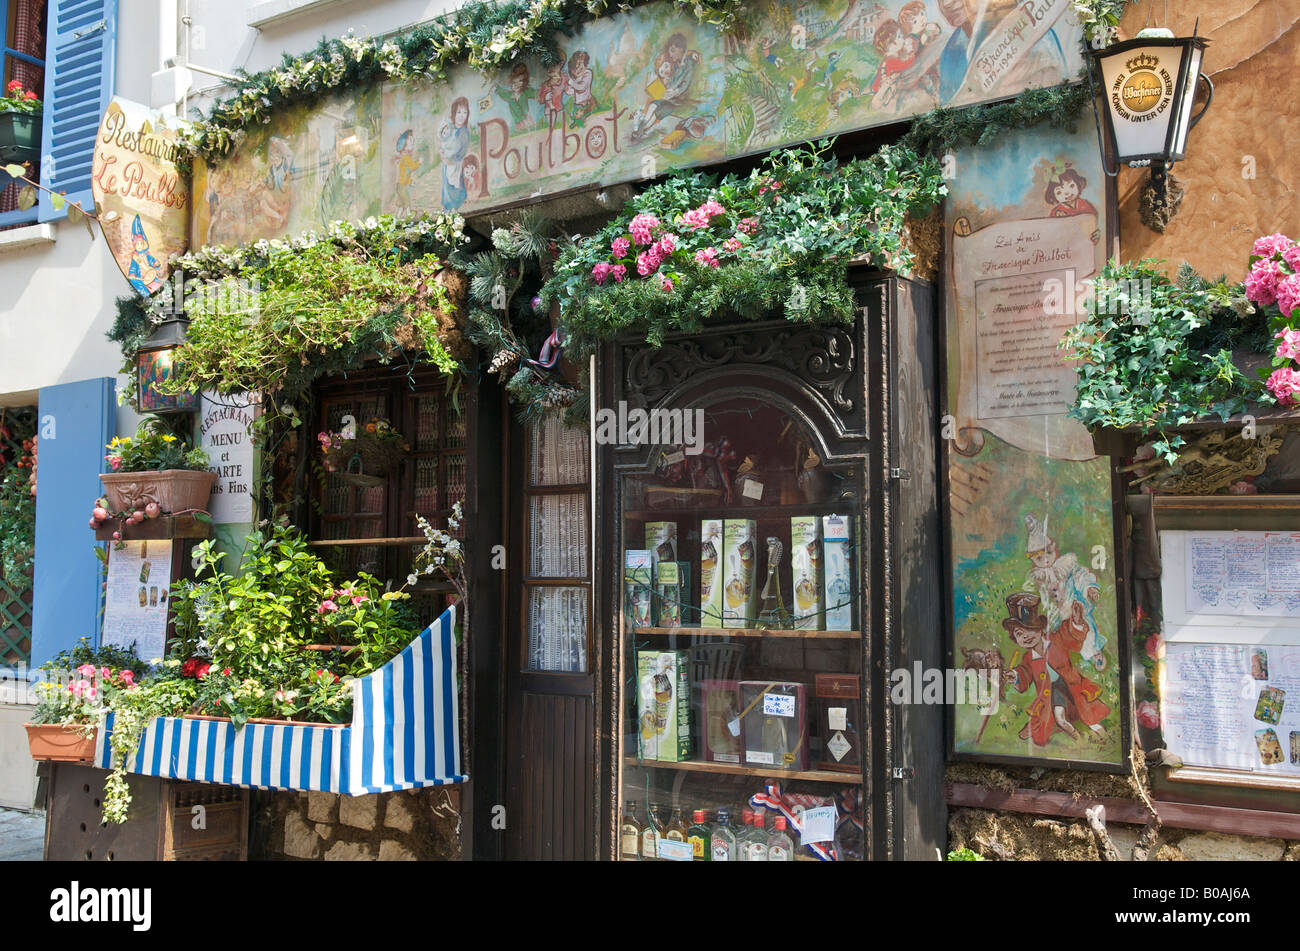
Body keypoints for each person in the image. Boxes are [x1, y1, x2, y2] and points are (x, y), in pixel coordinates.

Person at [1001, 593, 1110, 747]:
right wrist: (1015, 676)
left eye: (1030, 629)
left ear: (1040, 629)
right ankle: (1080, 742)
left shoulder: (1056, 639)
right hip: (1054, 692)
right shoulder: (1028, 658)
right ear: (1015, 638)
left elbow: (1070, 635)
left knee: (1090, 717)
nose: (1026, 636)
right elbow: (1024, 673)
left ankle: (1105, 739)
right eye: (1019, 633)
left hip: (1073, 686)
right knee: (1060, 720)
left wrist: (1077, 623)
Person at [1022, 513, 1106, 669]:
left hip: (1072, 605)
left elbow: (1081, 575)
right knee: (1053, 639)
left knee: (1085, 628)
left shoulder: (1065, 566)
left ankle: (1094, 653)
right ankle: (1057, 663)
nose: (1046, 561)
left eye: (1049, 554)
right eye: (1039, 559)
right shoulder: (1037, 578)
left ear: (1055, 551)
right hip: (1054, 615)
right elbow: (1031, 594)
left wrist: (1090, 588)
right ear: (1033, 561)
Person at [438, 98, 471, 211]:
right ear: (454, 113)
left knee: (456, 184)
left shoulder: (463, 132)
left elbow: (462, 150)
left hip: (456, 163)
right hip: (446, 162)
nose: (462, 116)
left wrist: (452, 160)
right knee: (446, 185)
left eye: (465, 112)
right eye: (459, 112)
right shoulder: (450, 128)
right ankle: (447, 206)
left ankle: (455, 205)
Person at [126, 215, 164, 296]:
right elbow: (133, 268)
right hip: (143, 278)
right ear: (134, 245)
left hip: (152, 275)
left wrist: (155, 263)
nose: (139, 246)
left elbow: (152, 261)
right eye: (137, 244)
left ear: (143, 244)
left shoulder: (147, 255)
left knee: (158, 286)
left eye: (141, 243)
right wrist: (132, 274)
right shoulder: (135, 258)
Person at [496, 62, 535, 130]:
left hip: (527, 120)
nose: (516, 85)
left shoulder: (525, 92)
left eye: (520, 81)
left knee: (530, 131)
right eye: (514, 82)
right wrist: (496, 88)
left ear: (524, 82)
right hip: (518, 122)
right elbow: (501, 92)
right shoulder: (509, 95)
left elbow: (536, 93)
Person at [393, 128, 421, 212]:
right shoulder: (406, 157)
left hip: (400, 184)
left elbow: (405, 173)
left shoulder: (404, 157)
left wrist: (410, 181)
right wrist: (419, 162)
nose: (413, 144)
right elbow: (413, 167)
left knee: (401, 203)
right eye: (411, 142)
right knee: (406, 201)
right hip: (402, 185)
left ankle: (398, 217)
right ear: (404, 145)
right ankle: (409, 215)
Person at [565, 50, 596, 124]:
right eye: (574, 68)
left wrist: (571, 82)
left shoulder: (588, 73)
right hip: (578, 103)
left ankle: (582, 121)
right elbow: (571, 92)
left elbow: (581, 87)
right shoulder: (576, 78)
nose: (577, 68)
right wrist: (567, 88)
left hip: (585, 102)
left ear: (585, 63)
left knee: (581, 117)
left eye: (579, 64)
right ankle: (578, 122)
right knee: (575, 116)